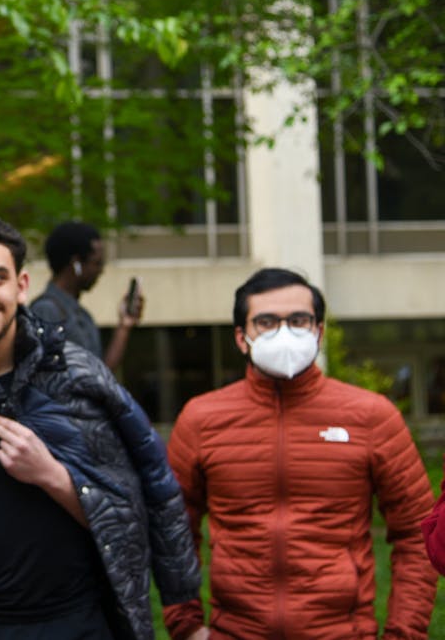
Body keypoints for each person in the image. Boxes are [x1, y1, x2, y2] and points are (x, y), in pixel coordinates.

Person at [0, 214, 203, 639]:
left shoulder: (77, 377)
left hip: (82, 622)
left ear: (21, 285)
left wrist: (54, 476)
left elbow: (143, 504)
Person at [167, 267, 437, 639]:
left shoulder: (371, 415)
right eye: (266, 321)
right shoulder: (201, 418)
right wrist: (186, 625)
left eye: (298, 320)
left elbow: (418, 533)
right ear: (241, 338)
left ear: (319, 332)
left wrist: (403, 634)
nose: (284, 332)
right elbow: (173, 529)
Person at [30, 220, 143, 371]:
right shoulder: (45, 311)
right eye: (97, 263)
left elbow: (101, 377)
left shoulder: (82, 315)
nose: (101, 271)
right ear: (76, 264)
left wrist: (124, 326)